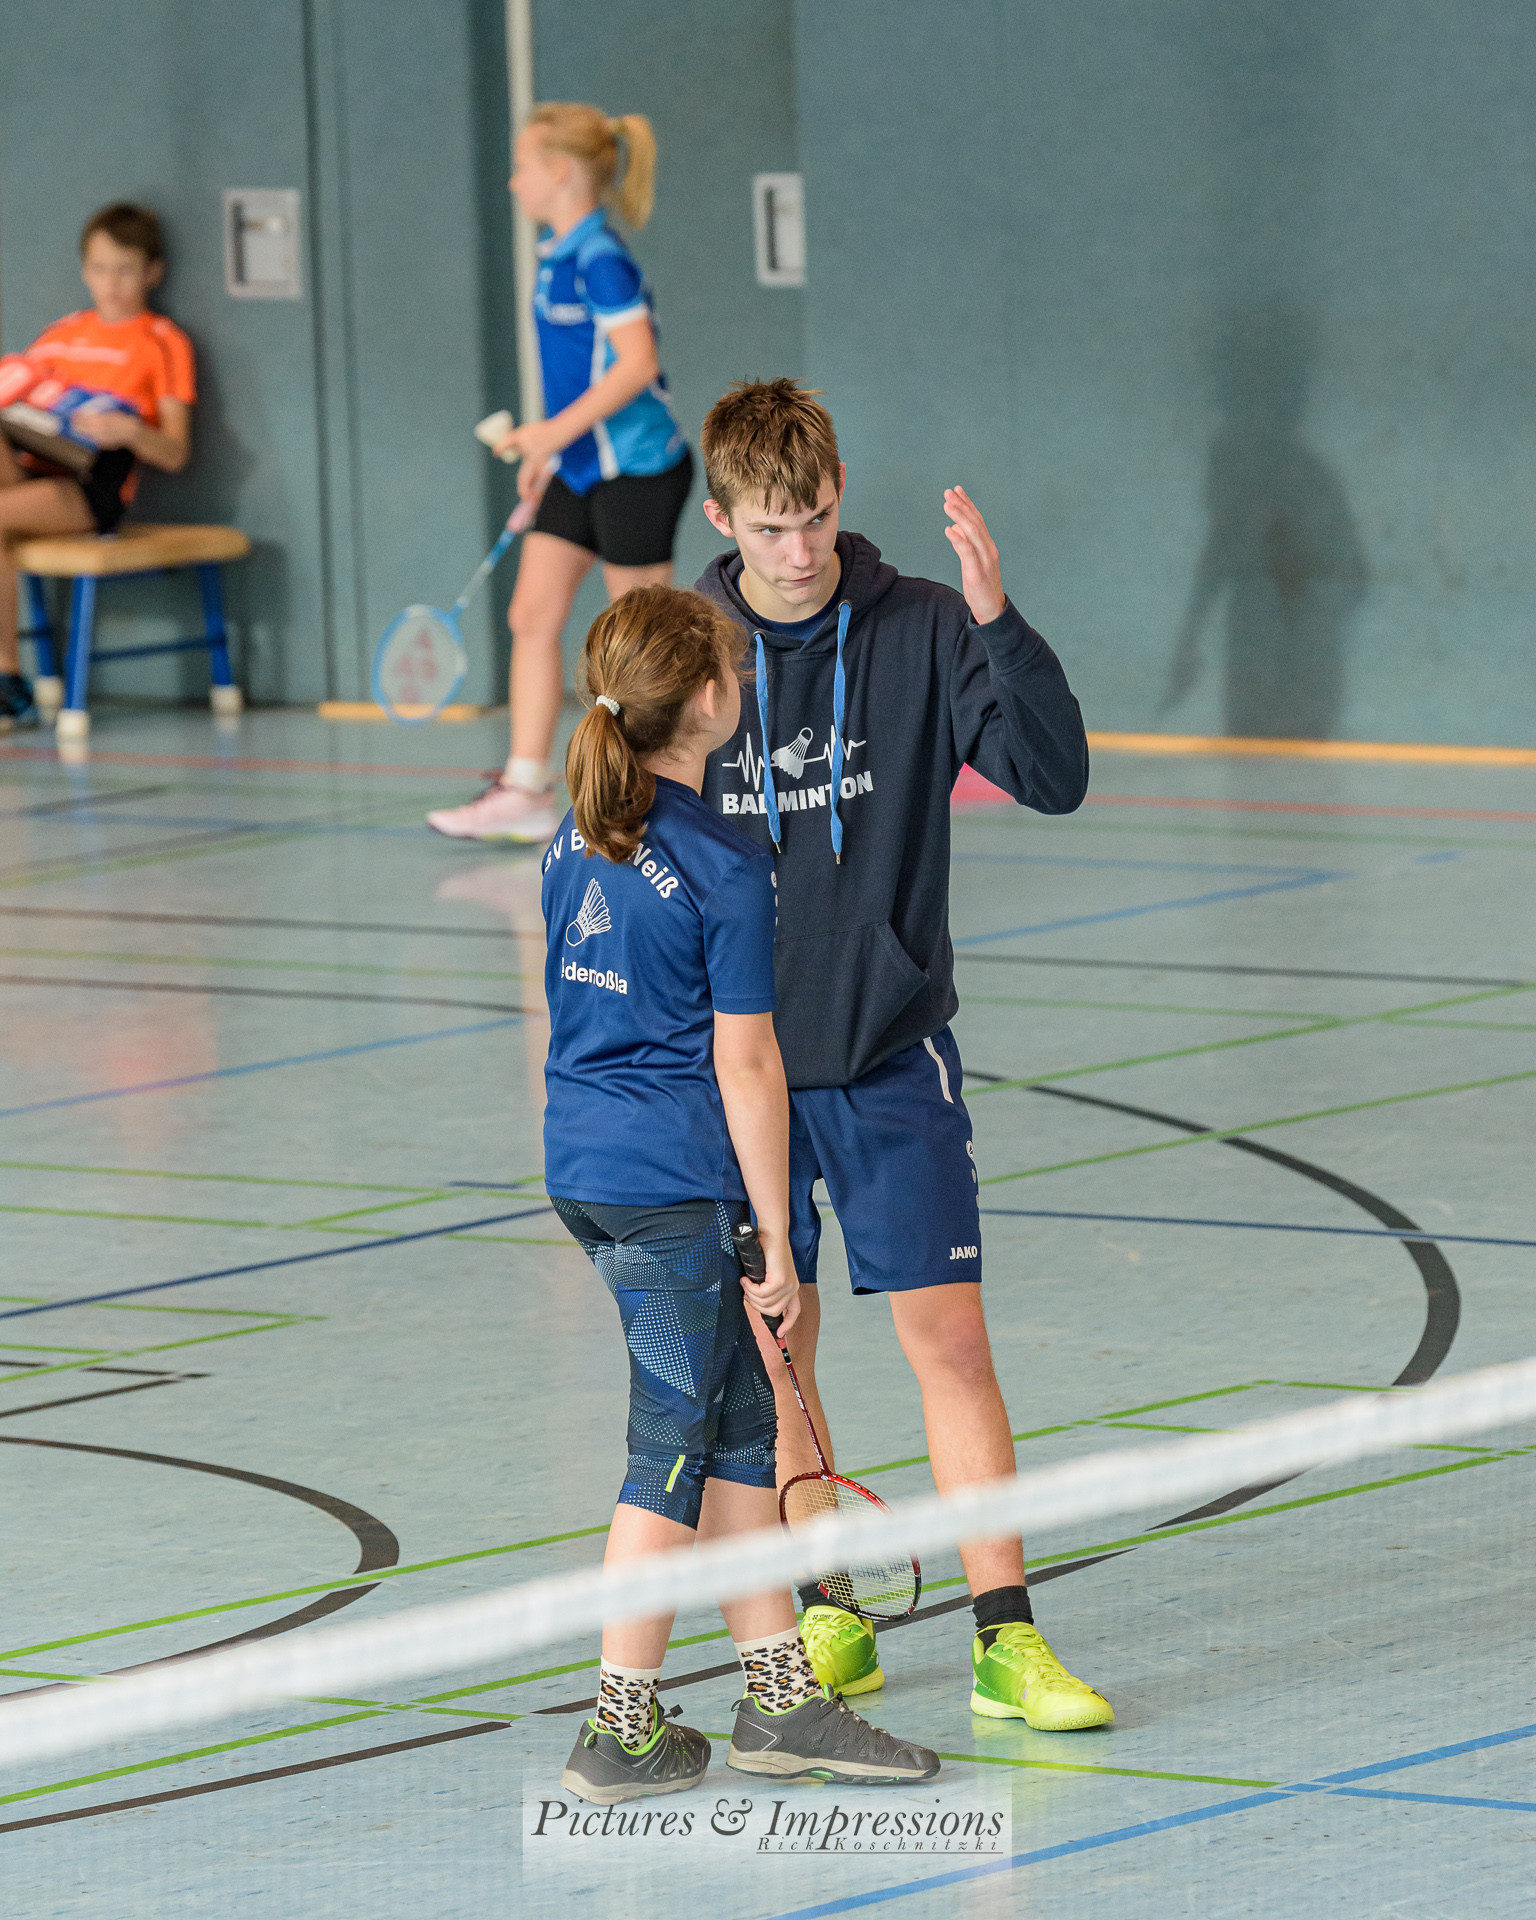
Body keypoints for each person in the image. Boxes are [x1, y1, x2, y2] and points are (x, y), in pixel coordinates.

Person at [693, 379, 1113, 1732]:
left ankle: (1006, 1638)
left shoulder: (924, 625)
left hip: (887, 1056)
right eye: (771, 527)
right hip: (740, 1075)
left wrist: (998, 619)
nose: (800, 550)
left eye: (816, 518)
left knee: (952, 1342)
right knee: (779, 1350)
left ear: (840, 495)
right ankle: (829, 1609)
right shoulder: (686, 650)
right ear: (722, 519)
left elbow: (1055, 777)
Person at [542, 583, 939, 1804]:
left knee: (736, 1439)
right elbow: (749, 1062)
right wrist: (775, 1235)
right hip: (674, 1188)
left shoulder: (574, 835)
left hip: (589, 1169)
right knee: (669, 1450)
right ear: (711, 701)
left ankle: (781, 1699)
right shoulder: (722, 859)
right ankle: (619, 1727)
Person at [428, 104, 693, 846]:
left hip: (637, 471)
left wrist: (550, 433)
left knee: (637, 646)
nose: (513, 182)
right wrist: (552, 450)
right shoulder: (557, 255)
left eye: (522, 167)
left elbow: (636, 364)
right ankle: (523, 788)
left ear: (561, 171)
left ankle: (660, 796)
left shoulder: (602, 259)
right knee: (531, 615)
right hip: (577, 469)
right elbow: (581, 371)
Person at [0, 203, 193, 729]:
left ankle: (7, 682)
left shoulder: (163, 342)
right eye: (100, 269)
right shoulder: (60, 334)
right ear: (85, 270)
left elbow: (175, 451)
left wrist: (129, 431)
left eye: (125, 270)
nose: (111, 283)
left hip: (91, 489)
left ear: (152, 272)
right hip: (31, 465)